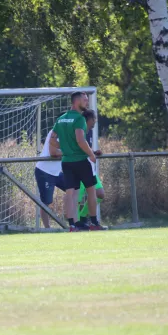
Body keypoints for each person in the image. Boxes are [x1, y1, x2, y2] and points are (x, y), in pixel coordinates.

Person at [50, 92, 104, 231]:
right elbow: (81, 140)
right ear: (76, 101)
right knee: (91, 191)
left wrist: (66, 148)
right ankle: (93, 223)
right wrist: (91, 154)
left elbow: (52, 140)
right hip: (80, 160)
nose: (87, 103)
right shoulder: (79, 119)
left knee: (70, 194)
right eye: (85, 100)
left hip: (66, 162)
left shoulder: (61, 119)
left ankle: (72, 225)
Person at [34, 130, 71, 228]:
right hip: (44, 171)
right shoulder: (56, 132)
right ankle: (47, 229)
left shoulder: (69, 133)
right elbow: (54, 152)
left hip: (56, 173)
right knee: (46, 202)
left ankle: (74, 221)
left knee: (75, 189)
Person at [77, 109, 105, 225]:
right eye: (94, 119)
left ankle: (83, 216)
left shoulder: (89, 132)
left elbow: (85, 148)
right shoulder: (79, 131)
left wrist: (94, 152)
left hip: (90, 168)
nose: (95, 122)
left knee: (100, 194)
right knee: (76, 199)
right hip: (79, 168)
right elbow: (78, 148)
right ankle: (76, 222)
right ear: (89, 119)